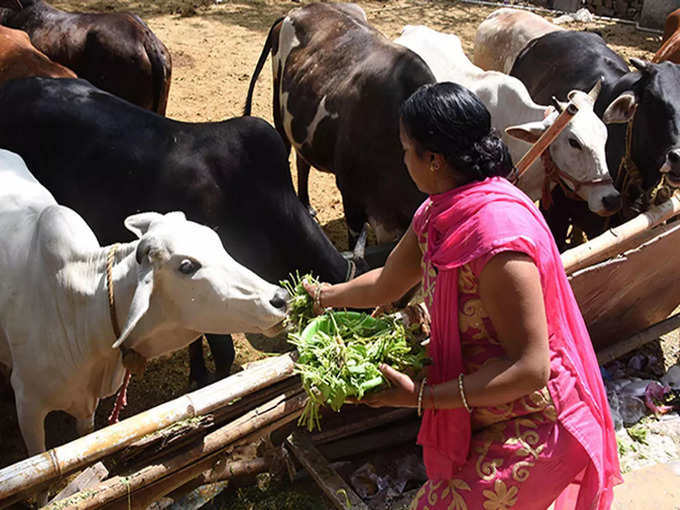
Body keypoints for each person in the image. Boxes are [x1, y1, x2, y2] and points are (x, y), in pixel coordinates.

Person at [303, 82, 621, 510]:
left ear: (433, 159)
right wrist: (324, 297)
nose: (403, 159)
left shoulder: (496, 241)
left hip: (537, 422)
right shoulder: (437, 213)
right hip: (483, 411)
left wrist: (420, 396)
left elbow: (530, 369)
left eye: (406, 149)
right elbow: (386, 285)